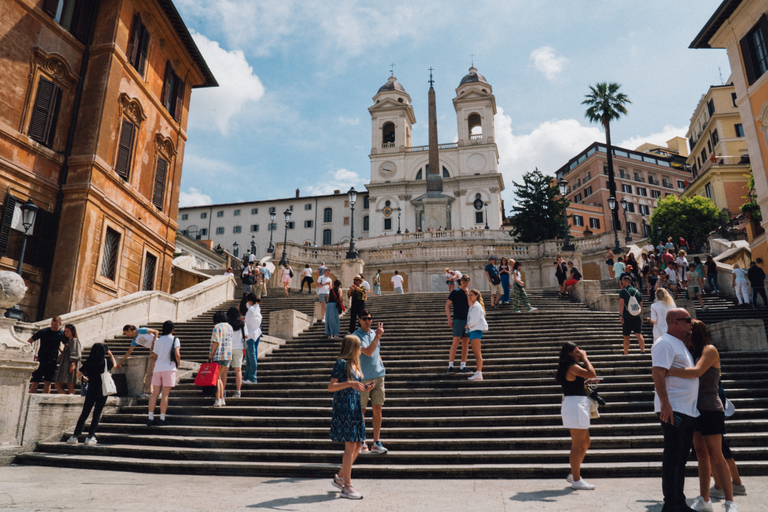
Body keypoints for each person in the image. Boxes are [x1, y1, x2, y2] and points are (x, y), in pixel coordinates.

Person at [666, 321, 739, 512]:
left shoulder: (709, 350)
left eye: (687, 332)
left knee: (716, 454)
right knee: (701, 455)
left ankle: (730, 502)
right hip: (693, 408)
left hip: (710, 408)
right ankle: (704, 499)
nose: (684, 335)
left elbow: (696, 372)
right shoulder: (690, 353)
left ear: (695, 333)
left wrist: (666, 370)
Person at [651, 308, 698, 512]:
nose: (691, 323)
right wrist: (665, 404)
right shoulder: (665, 343)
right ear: (674, 323)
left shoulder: (680, 345)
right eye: (688, 320)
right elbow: (658, 374)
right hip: (674, 409)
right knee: (673, 457)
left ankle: (679, 500)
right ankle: (671, 504)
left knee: (681, 458)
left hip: (686, 409)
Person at [328, 335, 370, 500]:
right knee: (351, 444)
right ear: (352, 348)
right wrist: (350, 383)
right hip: (344, 407)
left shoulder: (355, 364)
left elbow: (354, 386)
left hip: (354, 406)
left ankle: (340, 477)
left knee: (359, 444)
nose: (361, 350)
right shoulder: (342, 363)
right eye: (359, 346)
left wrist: (363, 387)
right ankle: (347, 486)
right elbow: (331, 386)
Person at [555, 341, 597, 490]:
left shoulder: (570, 367)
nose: (579, 354)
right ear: (569, 353)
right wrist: (586, 358)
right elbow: (592, 373)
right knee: (577, 445)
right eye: (577, 351)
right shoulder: (572, 366)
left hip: (578, 404)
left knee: (586, 443)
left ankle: (574, 473)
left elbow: (584, 378)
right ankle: (576, 480)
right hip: (575, 406)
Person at [67, 343, 116, 445]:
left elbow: (78, 374)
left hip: (91, 389)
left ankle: (75, 436)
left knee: (85, 412)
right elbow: (114, 365)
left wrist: (87, 380)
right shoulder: (105, 361)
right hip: (102, 390)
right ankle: (90, 437)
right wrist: (110, 354)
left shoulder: (89, 362)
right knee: (97, 413)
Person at [354, 310, 387, 454]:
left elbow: (376, 351)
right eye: (364, 318)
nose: (368, 321)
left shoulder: (374, 333)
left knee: (378, 409)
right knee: (361, 411)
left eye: (370, 318)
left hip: (378, 376)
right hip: (363, 377)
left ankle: (376, 442)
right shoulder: (355, 337)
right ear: (359, 320)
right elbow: (367, 351)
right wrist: (378, 336)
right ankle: (362, 441)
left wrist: (381, 364)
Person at [146, 320, 180, 427]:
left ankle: (150, 418)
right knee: (165, 394)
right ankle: (162, 418)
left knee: (154, 394)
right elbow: (177, 354)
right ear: (172, 329)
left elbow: (154, 357)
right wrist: (178, 363)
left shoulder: (158, 341)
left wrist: (153, 369)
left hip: (157, 369)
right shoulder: (175, 339)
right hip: (169, 368)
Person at [116, 325, 160, 396]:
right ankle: (147, 392)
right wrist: (120, 362)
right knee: (149, 371)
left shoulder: (141, 331)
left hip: (159, 347)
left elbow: (156, 332)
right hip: (152, 351)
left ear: (130, 329)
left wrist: (153, 342)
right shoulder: (135, 340)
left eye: (126, 332)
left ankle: (159, 391)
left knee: (158, 371)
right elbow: (129, 352)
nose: (126, 335)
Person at [28, 317, 64, 394]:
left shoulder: (61, 334)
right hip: (41, 359)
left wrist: (62, 352)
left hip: (52, 360)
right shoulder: (43, 332)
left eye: (55, 324)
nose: (53, 326)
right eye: (52, 324)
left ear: (59, 324)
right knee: (35, 381)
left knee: (48, 382)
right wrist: (32, 354)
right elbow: (29, 341)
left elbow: (62, 344)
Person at [445, 275, 471, 373]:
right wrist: (449, 319)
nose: (465, 284)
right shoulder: (455, 292)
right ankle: (450, 366)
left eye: (466, 282)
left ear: (469, 283)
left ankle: (462, 366)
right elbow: (447, 306)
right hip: (458, 319)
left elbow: (472, 306)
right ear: (460, 283)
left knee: (465, 343)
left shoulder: (470, 294)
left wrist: (468, 294)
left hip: (468, 321)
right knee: (455, 342)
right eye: (463, 282)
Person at [209, 311, 233, 407]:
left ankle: (218, 399)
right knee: (220, 378)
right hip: (227, 355)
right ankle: (222, 398)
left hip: (218, 354)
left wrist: (211, 353)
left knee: (217, 378)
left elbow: (216, 341)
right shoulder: (229, 327)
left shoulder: (217, 327)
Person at [465, 289, 488, 381]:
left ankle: (479, 373)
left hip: (475, 330)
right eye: (469, 295)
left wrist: (468, 325)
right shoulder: (474, 306)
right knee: (476, 353)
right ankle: (478, 373)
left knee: (477, 353)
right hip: (474, 330)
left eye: (471, 295)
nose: (470, 297)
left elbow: (475, 319)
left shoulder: (477, 306)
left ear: (476, 296)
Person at [618, 275, 645, 355]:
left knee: (626, 336)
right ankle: (642, 351)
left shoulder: (623, 292)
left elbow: (621, 304)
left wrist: (620, 315)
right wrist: (641, 317)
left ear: (626, 282)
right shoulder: (637, 292)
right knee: (639, 334)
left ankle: (626, 353)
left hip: (627, 316)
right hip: (637, 315)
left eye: (623, 282)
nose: (622, 284)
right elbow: (641, 305)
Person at [54, 324, 82, 395]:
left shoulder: (74, 341)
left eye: (68, 331)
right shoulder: (68, 341)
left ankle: (68, 398)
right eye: (65, 331)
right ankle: (67, 397)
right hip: (65, 365)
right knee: (60, 385)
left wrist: (73, 364)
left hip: (70, 365)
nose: (66, 333)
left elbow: (75, 353)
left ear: (72, 332)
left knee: (70, 385)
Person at [227, 306, 247, 398]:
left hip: (228, 348)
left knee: (224, 371)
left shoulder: (227, 325)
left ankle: (222, 390)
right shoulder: (242, 324)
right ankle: (238, 391)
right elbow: (246, 336)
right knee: (238, 370)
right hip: (239, 348)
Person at [243, 293, 262, 384]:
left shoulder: (251, 310)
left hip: (250, 334)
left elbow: (247, 322)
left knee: (251, 356)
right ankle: (247, 376)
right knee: (249, 356)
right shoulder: (256, 308)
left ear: (250, 301)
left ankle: (252, 377)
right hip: (255, 333)